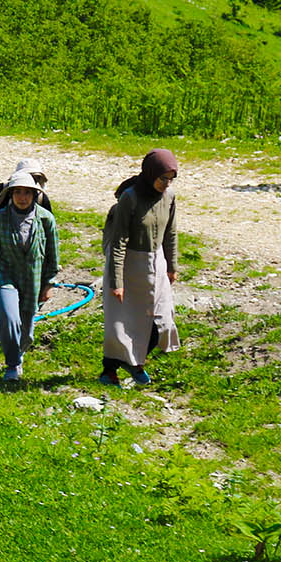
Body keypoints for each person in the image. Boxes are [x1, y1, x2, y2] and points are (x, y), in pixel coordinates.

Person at [101, 150, 181, 387]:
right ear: (150, 174)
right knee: (122, 323)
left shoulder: (169, 197)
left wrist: (172, 265)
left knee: (161, 322)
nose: (166, 184)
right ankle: (111, 371)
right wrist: (117, 281)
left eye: (170, 179)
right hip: (129, 265)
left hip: (156, 264)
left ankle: (136, 362)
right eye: (162, 178)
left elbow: (171, 233)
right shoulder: (130, 198)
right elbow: (118, 241)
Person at [0, 170, 61, 386]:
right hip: (3, 273)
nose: (22, 197)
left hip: (33, 275)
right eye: (18, 192)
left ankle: (18, 352)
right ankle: (12, 364)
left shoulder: (45, 219)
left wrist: (49, 283)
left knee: (27, 330)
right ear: (11, 194)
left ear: (34, 194)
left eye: (27, 193)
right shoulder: (0, 218)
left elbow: (53, 253)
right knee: (9, 318)